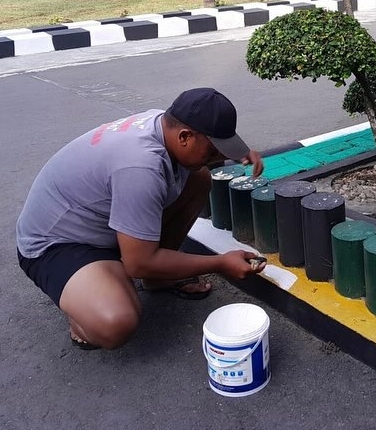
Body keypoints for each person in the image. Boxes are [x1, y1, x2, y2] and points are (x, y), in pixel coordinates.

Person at [16, 87, 266, 351]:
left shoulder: (163, 123)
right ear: (184, 136)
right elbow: (138, 264)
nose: (217, 156)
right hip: (58, 244)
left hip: (100, 222)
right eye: (214, 150)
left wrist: (238, 152)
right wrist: (220, 263)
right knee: (115, 322)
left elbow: (200, 152)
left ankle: (156, 277)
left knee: (198, 177)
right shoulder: (140, 167)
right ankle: (85, 314)